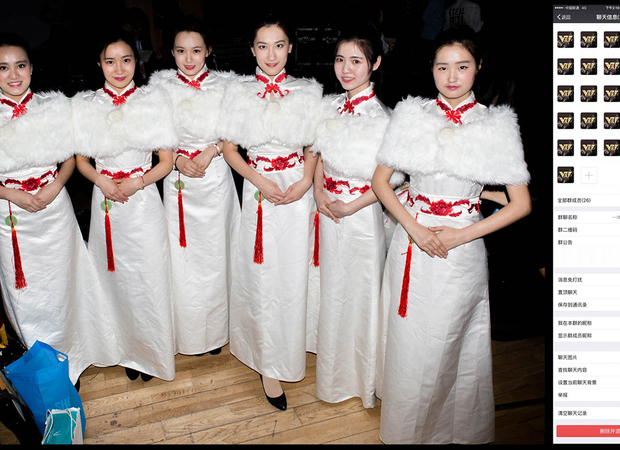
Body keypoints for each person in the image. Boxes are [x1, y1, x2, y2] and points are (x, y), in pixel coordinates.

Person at [371, 26, 531, 444]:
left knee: (451, 341)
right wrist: (414, 229)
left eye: (462, 66)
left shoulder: (496, 124)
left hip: (461, 247)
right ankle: (407, 428)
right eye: (442, 67)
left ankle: (450, 431)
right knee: (410, 339)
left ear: (478, 67)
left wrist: (462, 236)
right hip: (412, 239)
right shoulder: (412, 114)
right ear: (431, 69)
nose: (452, 76)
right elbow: (381, 182)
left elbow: (520, 204)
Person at [0, 32, 120, 384]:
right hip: (12, 214)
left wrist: (55, 185)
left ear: (31, 68)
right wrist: (10, 194)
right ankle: (47, 366)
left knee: (65, 284)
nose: (13, 75)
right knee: (27, 296)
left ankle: (75, 354)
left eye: (20, 65)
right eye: (3, 68)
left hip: (54, 208)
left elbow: (70, 158)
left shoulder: (53, 106)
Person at [218, 14, 322, 411]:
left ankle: (294, 344)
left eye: (279, 45)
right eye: (263, 46)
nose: (271, 54)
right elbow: (230, 150)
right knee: (262, 277)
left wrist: (306, 180)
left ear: (290, 47)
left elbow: (313, 146)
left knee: (293, 273)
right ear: (252, 50)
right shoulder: (239, 92)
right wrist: (258, 180)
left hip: (297, 191)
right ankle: (268, 364)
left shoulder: (308, 92)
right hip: (259, 189)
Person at [73, 28, 178, 382]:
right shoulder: (87, 105)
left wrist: (139, 181)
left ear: (137, 62)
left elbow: (166, 161)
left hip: (142, 199)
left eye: (126, 60)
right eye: (110, 61)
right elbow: (81, 160)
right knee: (114, 278)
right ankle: (126, 349)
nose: (119, 69)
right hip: (105, 200)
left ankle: (152, 351)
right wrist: (101, 180)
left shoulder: (153, 102)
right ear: (99, 64)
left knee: (148, 276)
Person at [311, 27, 402, 409]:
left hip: (361, 215)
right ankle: (331, 374)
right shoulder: (328, 106)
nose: (346, 69)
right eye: (340, 60)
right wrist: (318, 191)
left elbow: (393, 179)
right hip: (327, 208)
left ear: (375, 63)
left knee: (360, 294)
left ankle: (359, 380)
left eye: (356, 61)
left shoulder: (384, 118)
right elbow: (318, 155)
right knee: (332, 290)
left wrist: (350, 206)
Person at [148, 17, 240, 357]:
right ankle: (188, 334)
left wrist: (212, 149)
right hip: (178, 181)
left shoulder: (227, 86)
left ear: (208, 51)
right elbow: (153, 136)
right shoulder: (159, 88)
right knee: (182, 259)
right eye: (181, 51)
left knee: (216, 257)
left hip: (215, 177)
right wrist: (175, 160)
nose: (189, 59)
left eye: (197, 51)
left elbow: (236, 131)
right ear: (171, 52)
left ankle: (216, 332)